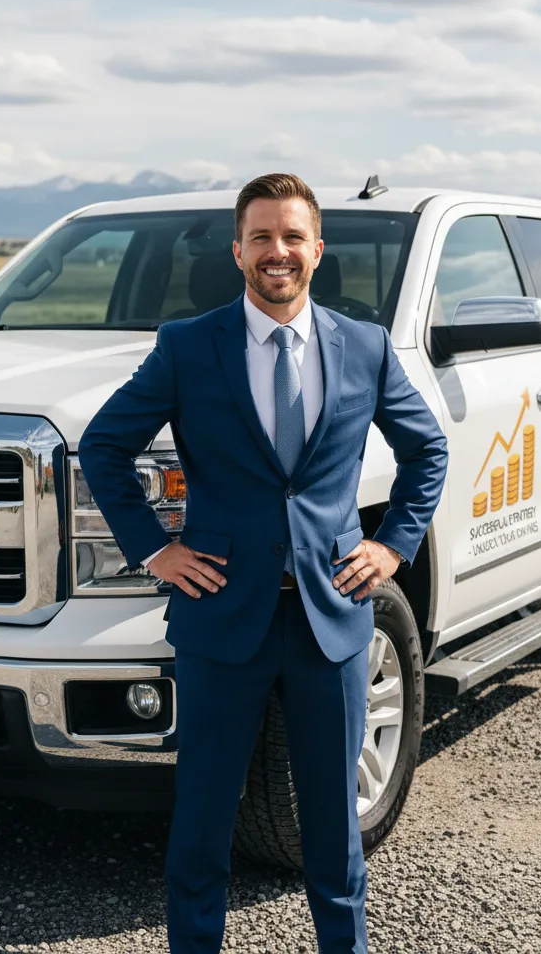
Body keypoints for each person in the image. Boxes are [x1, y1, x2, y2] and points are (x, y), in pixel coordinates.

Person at [78, 172, 448, 953]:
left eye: (290, 237)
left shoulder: (367, 348)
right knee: (203, 828)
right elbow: (105, 447)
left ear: (317, 247)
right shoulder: (188, 347)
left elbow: (428, 449)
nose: (276, 252)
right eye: (260, 238)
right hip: (221, 620)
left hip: (333, 623)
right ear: (238, 251)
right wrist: (155, 548)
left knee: (334, 835)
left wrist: (392, 545)